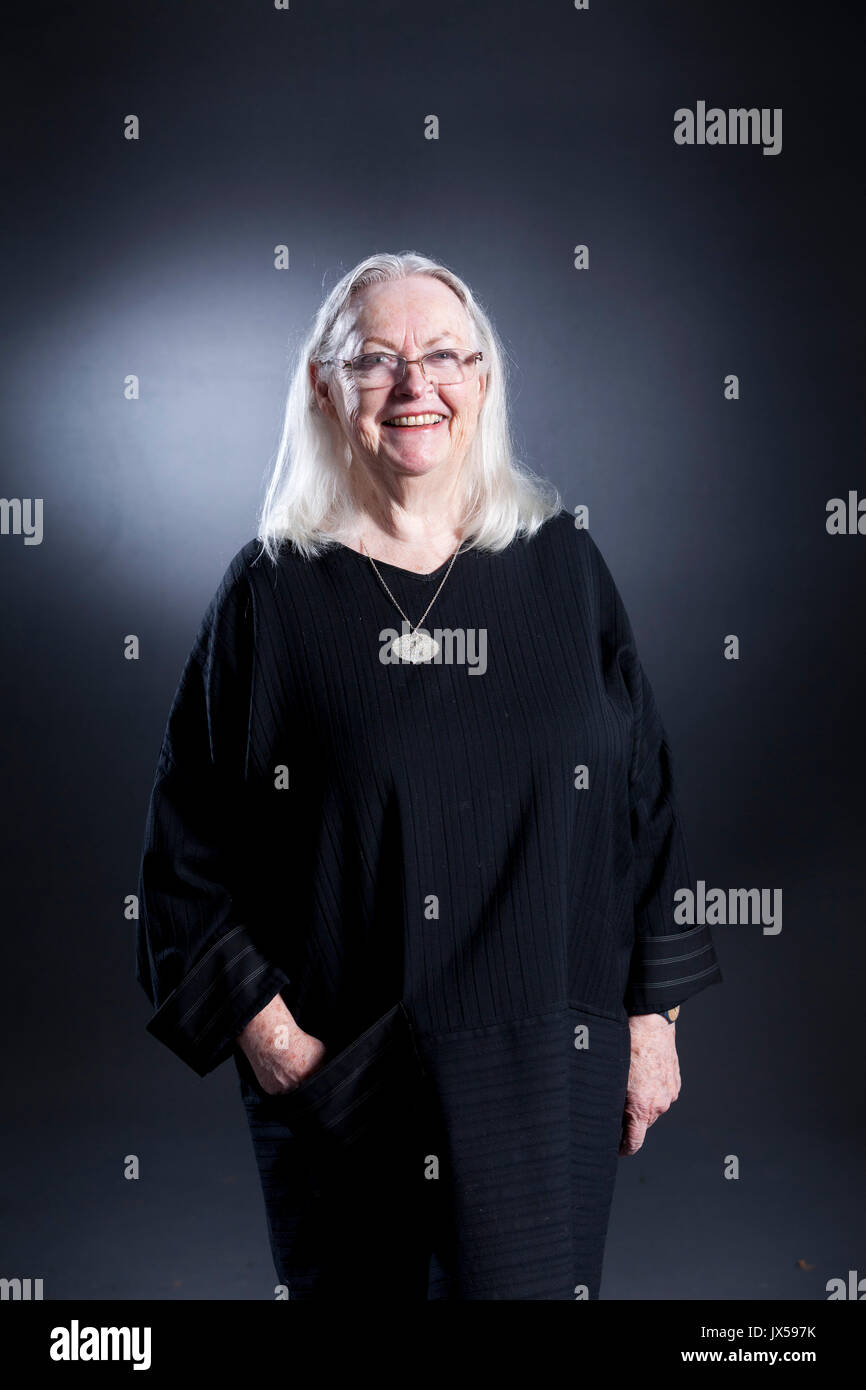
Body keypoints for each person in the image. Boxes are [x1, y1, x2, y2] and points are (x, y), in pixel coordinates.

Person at [135, 250, 722, 1301]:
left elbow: (647, 808)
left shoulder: (560, 565)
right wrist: (278, 1049)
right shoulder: (271, 600)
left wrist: (652, 1023)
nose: (417, 386)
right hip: (361, 1096)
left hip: (549, 1085)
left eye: (446, 355)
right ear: (325, 387)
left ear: (484, 381)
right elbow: (183, 865)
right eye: (378, 361)